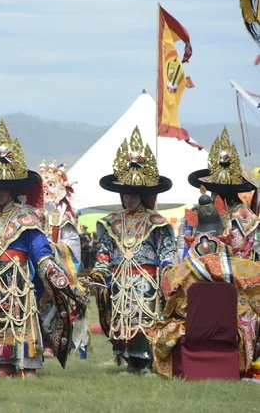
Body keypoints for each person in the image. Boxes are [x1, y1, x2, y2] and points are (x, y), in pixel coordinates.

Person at [0, 120, 79, 378]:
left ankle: (29, 365)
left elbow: (38, 248)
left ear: (12, 189)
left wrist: (48, 266)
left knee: (23, 321)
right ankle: (4, 365)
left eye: (3, 188)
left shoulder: (27, 217)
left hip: (19, 282)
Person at [84, 126, 177, 376]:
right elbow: (104, 252)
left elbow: (167, 252)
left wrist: (168, 275)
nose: (130, 199)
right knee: (122, 319)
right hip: (119, 280)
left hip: (146, 279)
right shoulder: (112, 221)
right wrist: (98, 274)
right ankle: (130, 361)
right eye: (126, 195)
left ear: (144, 195)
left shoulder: (157, 222)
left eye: (135, 195)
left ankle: (145, 362)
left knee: (144, 319)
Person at [152, 193, 260, 379]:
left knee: (165, 328)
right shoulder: (244, 269)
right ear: (224, 235)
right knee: (248, 316)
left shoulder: (181, 271)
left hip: (194, 330)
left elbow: (171, 303)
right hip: (230, 331)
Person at [39, 160, 89, 359]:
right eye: (43, 185)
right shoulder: (34, 213)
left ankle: (54, 344)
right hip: (36, 267)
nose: (46, 189)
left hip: (56, 266)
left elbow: (71, 247)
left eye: (51, 184)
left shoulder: (63, 217)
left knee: (55, 305)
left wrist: (51, 252)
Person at [185, 127, 260, 259]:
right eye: (215, 189)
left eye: (222, 190)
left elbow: (250, 245)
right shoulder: (199, 212)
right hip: (202, 265)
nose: (217, 194)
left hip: (237, 265)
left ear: (232, 191)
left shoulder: (243, 214)